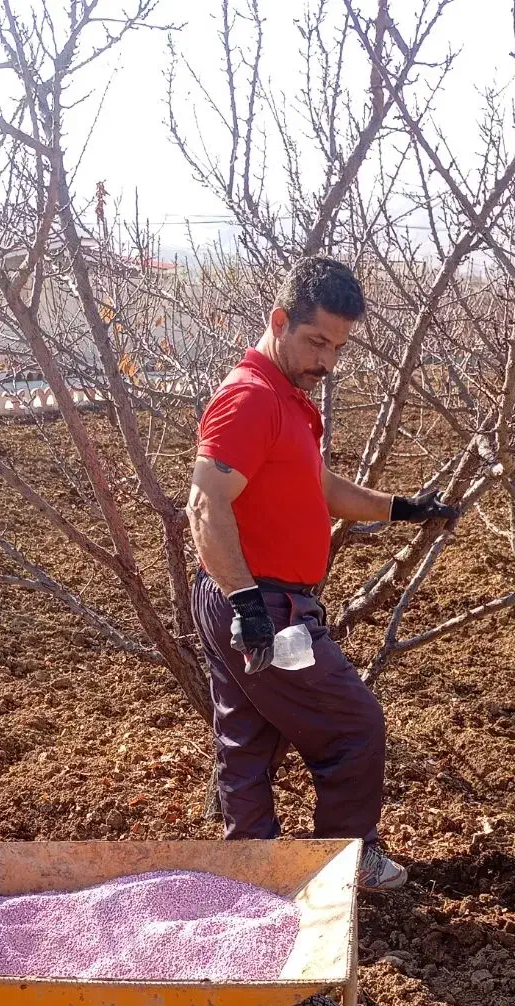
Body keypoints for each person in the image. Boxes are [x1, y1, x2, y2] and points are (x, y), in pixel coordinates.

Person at [186, 255, 457, 892]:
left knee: (247, 738)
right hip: (262, 600)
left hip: (246, 598)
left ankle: (250, 868)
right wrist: (249, 604)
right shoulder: (249, 399)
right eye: (315, 342)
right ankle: (350, 857)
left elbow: (319, 486)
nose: (327, 361)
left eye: (337, 347)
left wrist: (399, 508)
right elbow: (205, 502)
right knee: (353, 725)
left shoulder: (287, 399)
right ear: (279, 321)